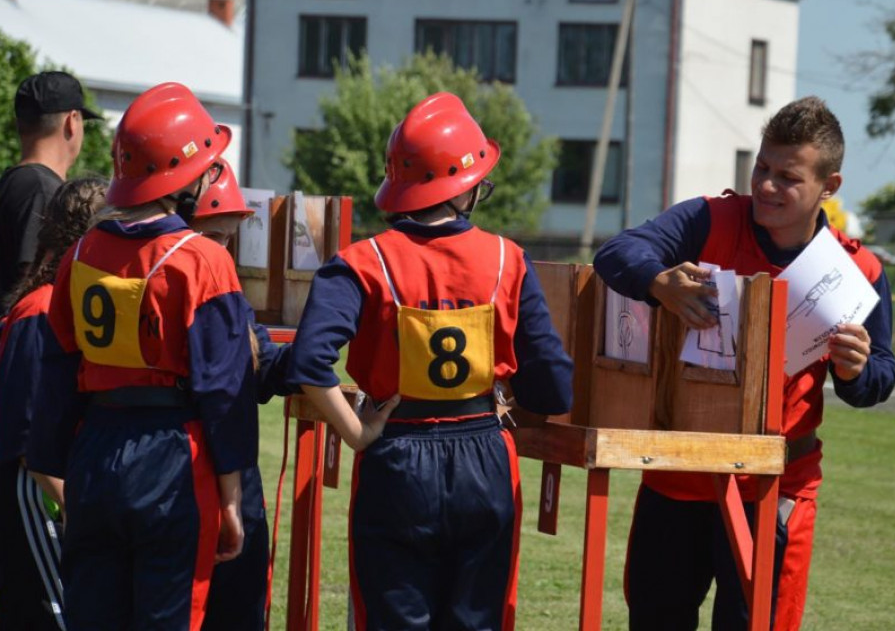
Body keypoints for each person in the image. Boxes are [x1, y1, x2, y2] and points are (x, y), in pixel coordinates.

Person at [593, 96, 895, 631]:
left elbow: (881, 377)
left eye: (787, 176)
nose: (766, 186)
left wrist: (855, 371)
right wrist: (657, 280)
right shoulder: (708, 219)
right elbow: (617, 251)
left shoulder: (858, 269)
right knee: (656, 617)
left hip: (775, 483)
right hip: (680, 469)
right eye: (761, 167)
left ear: (830, 186)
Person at [287, 92, 574, 630]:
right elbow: (553, 385)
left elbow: (307, 362)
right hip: (485, 456)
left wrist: (356, 432)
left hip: (396, 457)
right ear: (465, 187)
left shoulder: (360, 262)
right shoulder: (508, 259)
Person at [26, 82, 256, 630]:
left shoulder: (81, 251)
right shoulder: (203, 260)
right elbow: (224, 392)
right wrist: (231, 499)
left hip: (95, 450)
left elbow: (55, 370)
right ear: (187, 175)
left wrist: (54, 467)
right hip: (174, 454)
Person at [190, 159, 294, 631]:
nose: (224, 250)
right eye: (215, 237)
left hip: (230, 473)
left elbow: (266, 365)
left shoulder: (224, 284)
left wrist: (308, 352)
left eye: (230, 238)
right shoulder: (182, 279)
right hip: (190, 467)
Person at [0, 175, 107, 631]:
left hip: (51, 493)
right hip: (34, 496)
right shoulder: (41, 311)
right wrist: (81, 515)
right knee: (61, 616)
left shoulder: (64, 303)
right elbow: (30, 448)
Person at [0, 72, 101, 312]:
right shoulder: (43, 191)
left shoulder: (13, 182)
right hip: (21, 345)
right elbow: (28, 283)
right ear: (72, 121)